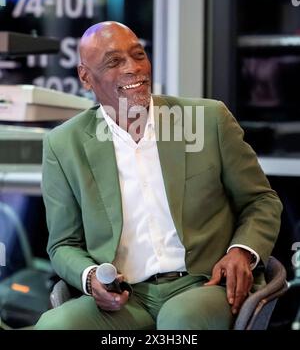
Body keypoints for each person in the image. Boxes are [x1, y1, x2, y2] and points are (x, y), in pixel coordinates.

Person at [35, 21, 282, 330]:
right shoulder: (63, 144)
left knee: (180, 321)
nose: (133, 68)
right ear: (86, 77)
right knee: (55, 326)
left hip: (202, 285)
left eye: (138, 55)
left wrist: (242, 252)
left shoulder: (207, 120)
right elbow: (63, 244)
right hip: (125, 299)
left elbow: (261, 201)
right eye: (114, 61)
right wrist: (90, 277)